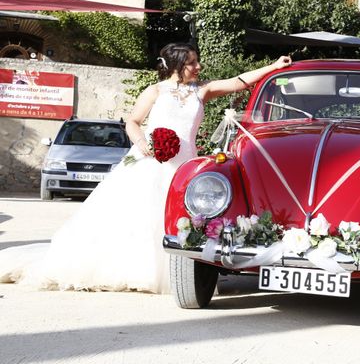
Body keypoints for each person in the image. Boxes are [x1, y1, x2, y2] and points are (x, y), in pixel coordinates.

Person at [0, 43, 292, 293]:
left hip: (184, 165)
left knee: (176, 217)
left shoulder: (201, 91)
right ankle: (128, 270)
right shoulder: (154, 91)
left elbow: (239, 81)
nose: (198, 67)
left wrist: (273, 65)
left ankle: (176, 274)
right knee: (136, 216)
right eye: (192, 63)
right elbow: (132, 121)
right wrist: (142, 143)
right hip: (150, 161)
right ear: (178, 65)